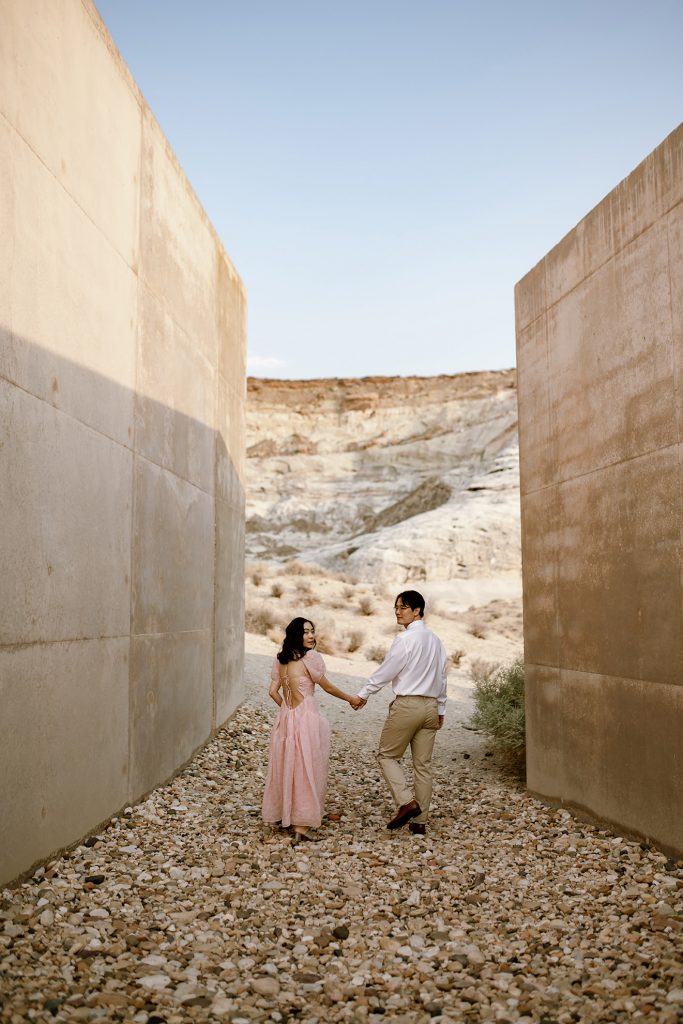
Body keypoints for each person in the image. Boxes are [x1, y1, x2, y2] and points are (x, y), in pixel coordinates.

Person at [262, 617, 363, 843]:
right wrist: (350, 699)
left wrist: (288, 711)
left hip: (286, 718)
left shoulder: (280, 661)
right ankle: (301, 825)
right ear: (295, 635)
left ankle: (284, 814)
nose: (310, 636)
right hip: (306, 717)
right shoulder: (310, 658)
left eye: (312, 631)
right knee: (306, 767)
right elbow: (326, 686)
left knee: (287, 765)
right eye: (305, 632)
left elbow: (272, 692)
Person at [355, 590, 447, 836]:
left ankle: (407, 802)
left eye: (403, 607)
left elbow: (387, 671)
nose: (397, 611)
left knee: (386, 756)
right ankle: (420, 822)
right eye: (396, 607)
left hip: (408, 705)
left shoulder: (405, 640)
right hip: (429, 707)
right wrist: (440, 707)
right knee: (423, 765)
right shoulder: (436, 641)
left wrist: (364, 693)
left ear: (417, 610)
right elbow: (441, 676)